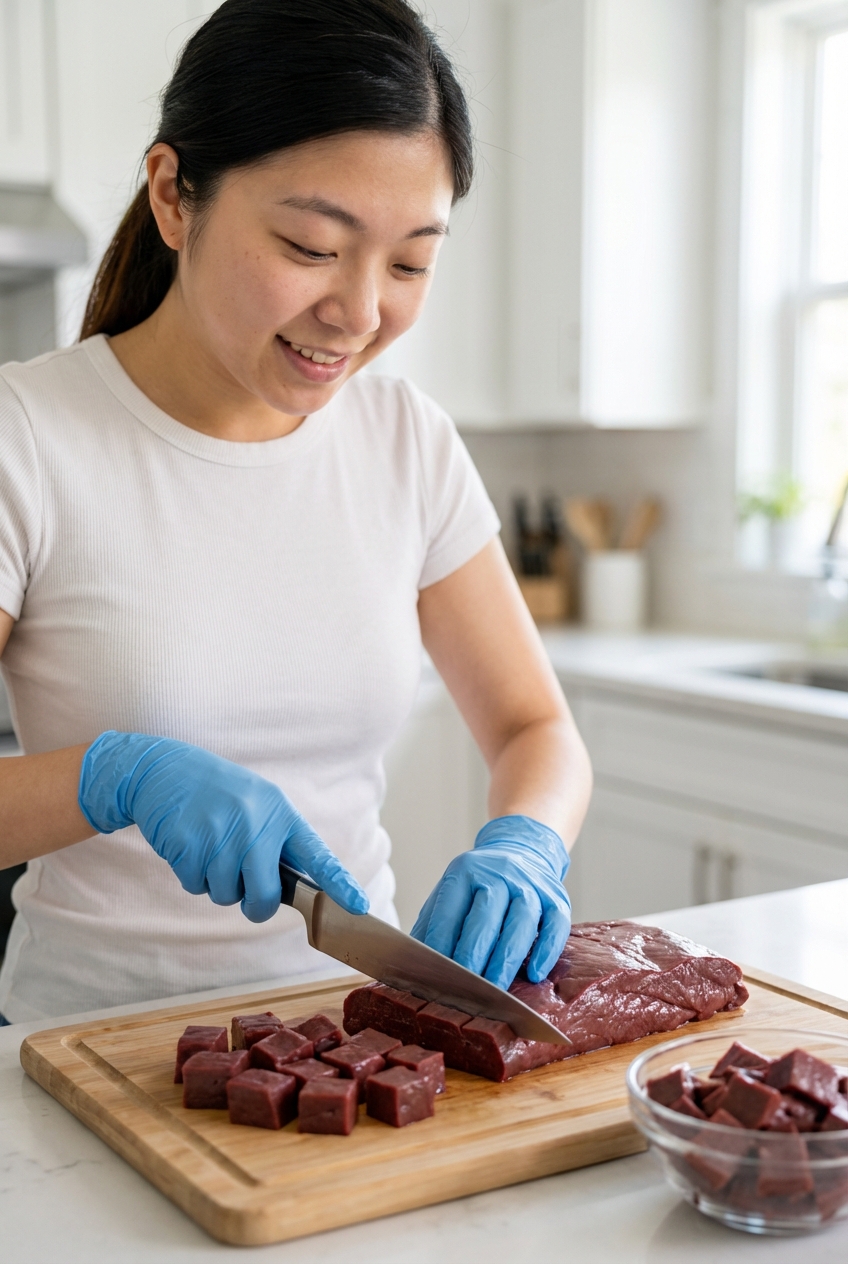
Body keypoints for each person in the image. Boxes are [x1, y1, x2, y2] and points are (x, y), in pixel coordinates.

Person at [0, 0, 592, 1025]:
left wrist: (525, 841)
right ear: (174, 196)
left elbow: (535, 726)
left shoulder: (404, 440)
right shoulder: (29, 437)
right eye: (312, 246)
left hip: (359, 1031)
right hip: (88, 1061)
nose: (360, 312)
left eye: (409, 261)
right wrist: (111, 779)